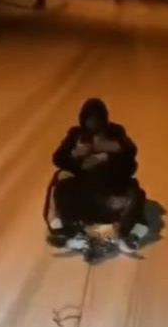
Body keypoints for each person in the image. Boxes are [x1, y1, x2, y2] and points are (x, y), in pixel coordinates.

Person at [49, 98, 147, 252]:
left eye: (97, 119)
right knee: (61, 185)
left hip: (112, 195)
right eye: (90, 119)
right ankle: (68, 231)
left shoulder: (115, 132)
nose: (93, 123)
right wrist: (75, 154)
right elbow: (58, 158)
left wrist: (106, 156)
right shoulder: (76, 134)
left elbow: (130, 157)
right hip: (85, 195)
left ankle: (127, 233)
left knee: (136, 193)